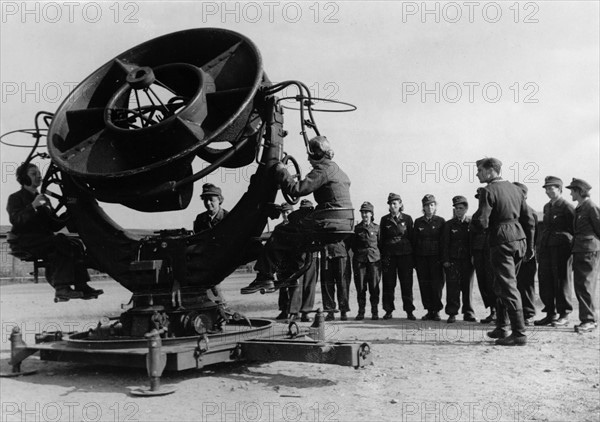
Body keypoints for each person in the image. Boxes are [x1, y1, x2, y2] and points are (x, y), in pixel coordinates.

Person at [241, 135, 353, 295]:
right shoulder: (337, 170)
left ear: (318, 154)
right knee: (296, 225)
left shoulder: (323, 170)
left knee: (281, 232)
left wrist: (282, 172)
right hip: (344, 224)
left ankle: (264, 276)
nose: (308, 158)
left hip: (328, 222)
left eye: (310, 154)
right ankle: (286, 268)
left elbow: (296, 190)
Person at [7, 163, 101, 301]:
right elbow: (16, 220)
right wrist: (33, 206)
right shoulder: (15, 198)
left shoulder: (43, 199)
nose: (39, 176)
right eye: (33, 174)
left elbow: (54, 225)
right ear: (24, 178)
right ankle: (61, 288)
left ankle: (82, 286)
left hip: (43, 240)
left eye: (39, 173)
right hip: (24, 241)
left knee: (75, 244)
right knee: (60, 241)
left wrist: (69, 211)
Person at [473, 158, 535, 346]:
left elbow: (482, 221)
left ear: (491, 171)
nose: (477, 174)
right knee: (501, 283)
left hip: (501, 242)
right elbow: (530, 220)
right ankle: (502, 326)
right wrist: (530, 246)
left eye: (480, 170)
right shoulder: (515, 189)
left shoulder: (488, 191)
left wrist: (476, 224)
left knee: (507, 286)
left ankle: (519, 333)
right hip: (519, 240)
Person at [535, 176, 575, 327]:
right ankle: (550, 313)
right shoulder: (547, 207)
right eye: (546, 188)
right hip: (547, 247)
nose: (548, 191)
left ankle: (564, 314)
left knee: (561, 279)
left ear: (559, 189)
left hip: (562, 248)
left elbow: (574, 229)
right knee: (545, 279)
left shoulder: (567, 206)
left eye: (551, 188)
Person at [566, 178, 600, 333]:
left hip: (588, 250)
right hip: (581, 250)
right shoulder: (580, 207)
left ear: (580, 191)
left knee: (586, 285)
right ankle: (587, 319)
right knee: (581, 285)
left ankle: (589, 320)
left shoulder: (590, 206)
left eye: (572, 190)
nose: (570, 193)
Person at [276, 200, 318, 322]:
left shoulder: (316, 225)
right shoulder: (294, 225)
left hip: (312, 257)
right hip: (296, 258)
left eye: (308, 211)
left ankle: (305, 312)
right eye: (303, 210)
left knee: (309, 285)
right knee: (296, 285)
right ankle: (293, 312)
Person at [379, 193, 415, 320]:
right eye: (390, 203)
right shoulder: (385, 220)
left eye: (395, 203)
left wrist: (413, 259)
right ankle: (388, 310)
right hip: (389, 256)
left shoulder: (408, 219)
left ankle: (409, 311)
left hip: (405, 256)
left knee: (406, 284)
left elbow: (412, 238)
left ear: (400, 204)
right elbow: (381, 239)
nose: (392, 206)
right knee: (388, 284)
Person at [442, 195, 475, 323]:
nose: (458, 211)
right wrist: (445, 259)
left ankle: (468, 312)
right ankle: (452, 313)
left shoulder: (471, 224)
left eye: (461, 208)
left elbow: (473, 242)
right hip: (453, 260)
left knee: (468, 287)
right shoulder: (448, 225)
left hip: (467, 260)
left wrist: (473, 257)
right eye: (456, 208)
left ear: (466, 209)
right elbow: (444, 243)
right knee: (452, 287)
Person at [413, 194, 446, 321]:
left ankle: (436, 310)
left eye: (432, 204)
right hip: (422, 258)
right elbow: (415, 241)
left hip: (436, 258)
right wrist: (415, 261)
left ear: (435, 206)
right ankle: (429, 310)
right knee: (424, 284)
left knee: (437, 285)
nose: (429, 207)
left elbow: (443, 242)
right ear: (423, 207)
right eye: (427, 205)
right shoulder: (418, 222)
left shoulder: (441, 221)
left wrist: (443, 259)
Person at [350, 201, 381, 320]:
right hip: (360, 261)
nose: (364, 215)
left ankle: (375, 311)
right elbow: (353, 245)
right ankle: (361, 311)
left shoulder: (377, 228)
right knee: (361, 287)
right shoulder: (357, 229)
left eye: (367, 212)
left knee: (374, 287)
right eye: (363, 213)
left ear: (371, 214)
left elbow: (380, 244)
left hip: (374, 261)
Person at [513, 182, 538, 326]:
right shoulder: (513, 211)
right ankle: (518, 314)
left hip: (527, 254)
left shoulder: (530, 212)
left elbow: (535, 235)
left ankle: (528, 314)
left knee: (527, 284)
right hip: (515, 253)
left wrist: (531, 250)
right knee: (515, 285)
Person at [470, 190, 496, 324]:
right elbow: (472, 235)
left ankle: (498, 312)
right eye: (479, 198)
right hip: (478, 251)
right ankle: (492, 310)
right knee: (483, 282)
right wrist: (473, 254)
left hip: (491, 251)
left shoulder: (495, 213)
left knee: (493, 281)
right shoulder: (475, 215)